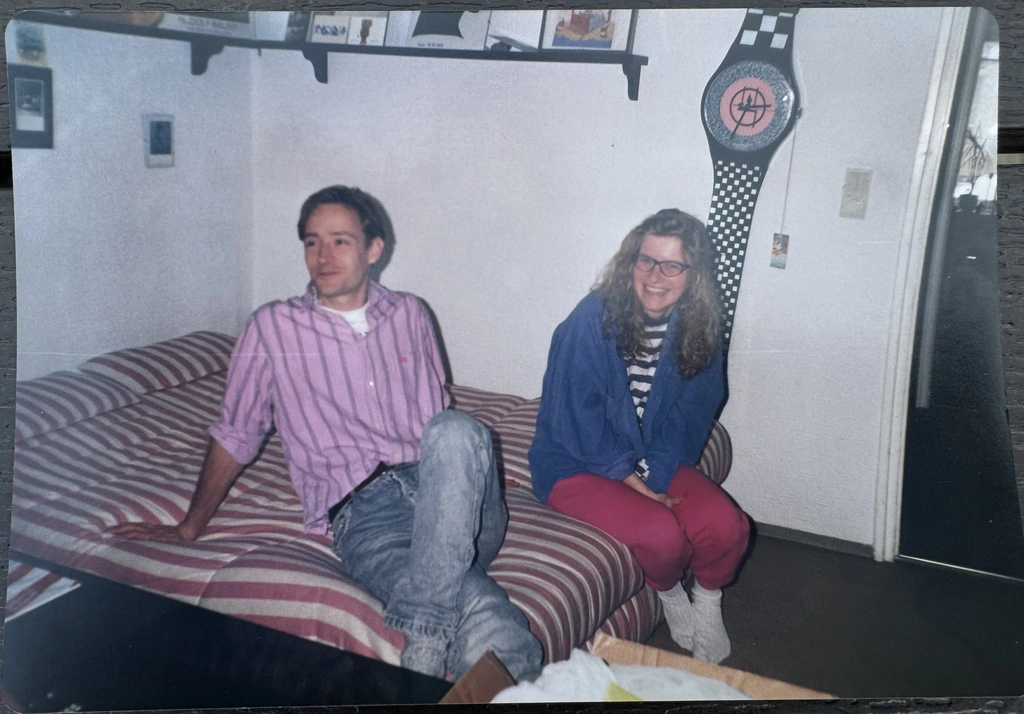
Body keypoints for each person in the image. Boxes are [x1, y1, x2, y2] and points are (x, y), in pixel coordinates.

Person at [111, 185, 542, 683]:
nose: (322, 256)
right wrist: (190, 526)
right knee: (487, 617)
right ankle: (438, 641)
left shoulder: (410, 313)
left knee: (456, 428)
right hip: (368, 518)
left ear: (373, 249)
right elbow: (237, 433)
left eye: (340, 241)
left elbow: (440, 419)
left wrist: (467, 477)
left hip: (454, 501)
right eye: (312, 242)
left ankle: (423, 638)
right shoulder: (272, 329)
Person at [528, 208, 750, 664]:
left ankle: (707, 600)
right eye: (646, 261)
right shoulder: (592, 318)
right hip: (573, 461)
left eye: (672, 265)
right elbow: (577, 414)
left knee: (727, 525)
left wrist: (657, 473)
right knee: (661, 533)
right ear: (631, 262)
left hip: (649, 459)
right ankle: (669, 594)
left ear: (693, 275)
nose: (655, 276)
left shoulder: (701, 326)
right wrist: (638, 486)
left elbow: (692, 416)